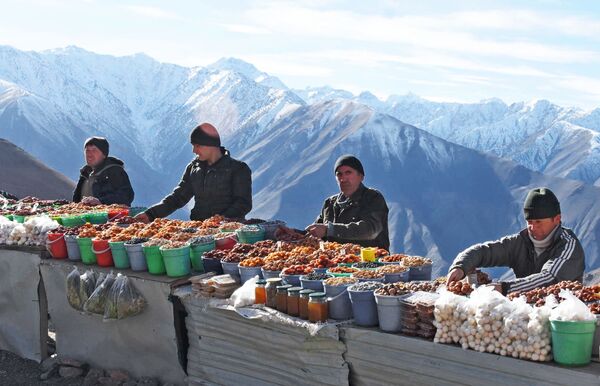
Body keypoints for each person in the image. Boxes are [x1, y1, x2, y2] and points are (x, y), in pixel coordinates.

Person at [446, 187, 585, 295]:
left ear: (557, 219)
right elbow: (483, 251)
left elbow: (549, 278)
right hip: (525, 315)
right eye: (529, 221)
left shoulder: (568, 246)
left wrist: (505, 288)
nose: (532, 227)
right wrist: (460, 267)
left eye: (538, 222)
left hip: (564, 318)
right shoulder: (520, 242)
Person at [135, 123, 252, 222]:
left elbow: (243, 203)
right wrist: (150, 214)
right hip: (199, 230)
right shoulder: (193, 168)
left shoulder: (238, 169)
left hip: (230, 231)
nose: (194, 150)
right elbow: (177, 198)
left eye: (197, 146)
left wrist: (222, 219)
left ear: (210, 145)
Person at [305, 154, 390, 250]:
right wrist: (294, 233)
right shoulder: (330, 204)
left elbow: (370, 230)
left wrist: (329, 229)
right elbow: (316, 231)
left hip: (372, 261)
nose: (343, 178)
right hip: (335, 261)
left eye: (348, 173)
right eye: (339, 174)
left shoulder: (372, 198)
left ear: (361, 176)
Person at [72, 137, 134, 206]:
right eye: (87, 151)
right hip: (85, 215)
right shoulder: (85, 174)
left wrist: (101, 201)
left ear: (104, 154)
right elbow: (77, 201)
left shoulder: (114, 171)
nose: (89, 155)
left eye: (94, 150)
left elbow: (127, 195)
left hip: (111, 216)